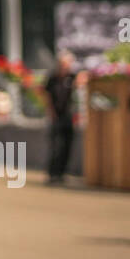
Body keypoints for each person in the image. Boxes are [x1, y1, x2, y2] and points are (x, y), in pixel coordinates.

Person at [44, 50, 80, 185]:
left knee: (67, 145)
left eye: (67, 64)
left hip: (68, 116)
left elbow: (82, 82)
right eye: (63, 64)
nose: (65, 66)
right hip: (56, 117)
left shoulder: (72, 77)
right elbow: (46, 96)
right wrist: (51, 112)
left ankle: (62, 173)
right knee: (56, 146)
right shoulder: (52, 78)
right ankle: (53, 174)